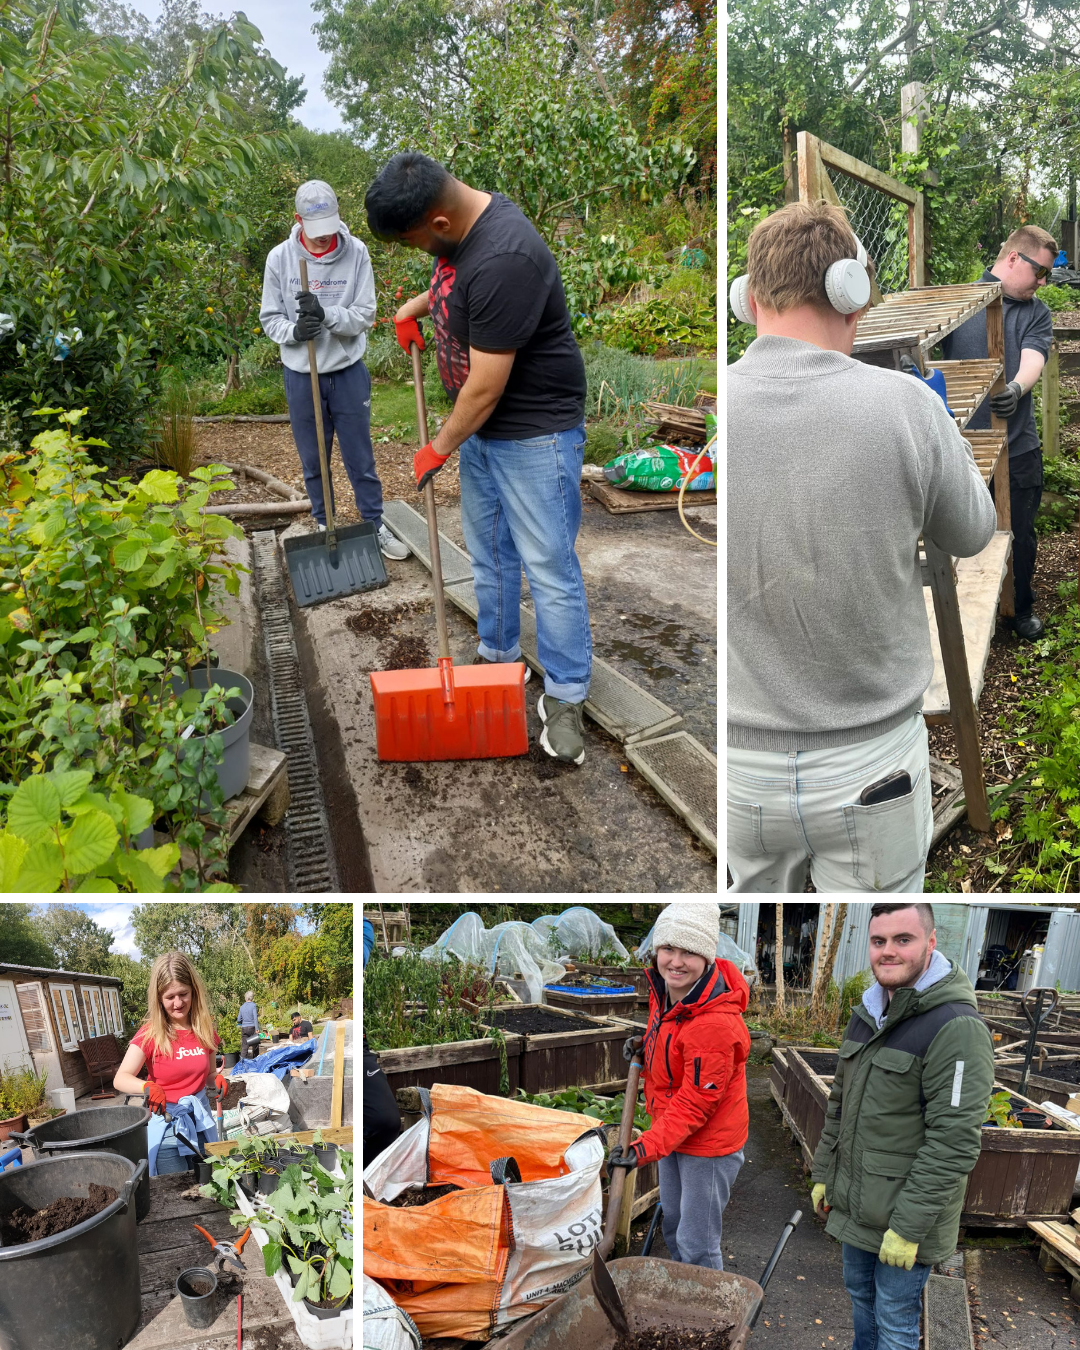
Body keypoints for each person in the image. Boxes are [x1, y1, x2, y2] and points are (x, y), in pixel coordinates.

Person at [727, 200, 997, 893]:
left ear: (748, 300)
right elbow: (971, 529)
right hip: (872, 767)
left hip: (737, 770)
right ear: (853, 291)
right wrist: (942, 432)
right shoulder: (906, 406)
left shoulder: (713, 404)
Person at [364, 153, 592, 766]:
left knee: (548, 567)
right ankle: (497, 661)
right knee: (490, 556)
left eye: (413, 240)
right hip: (488, 436)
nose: (419, 252)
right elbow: (455, 281)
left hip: (533, 435)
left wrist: (437, 447)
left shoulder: (504, 257)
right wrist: (421, 306)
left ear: (438, 220)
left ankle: (567, 698)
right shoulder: (464, 233)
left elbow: (487, 385)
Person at [810, 903, 994, 1350]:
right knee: (860, 1302)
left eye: (902, 940)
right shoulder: (868, 1015)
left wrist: (909, 1227)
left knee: (895, 1322)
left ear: (931, 943)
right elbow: (840, 1106)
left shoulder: (955, 1027)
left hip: (903, 1217)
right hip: (857, 1205)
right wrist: (822, 1176)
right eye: (879, 941)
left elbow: (953, 1142)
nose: (887, 952)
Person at [259, 179, 411, 563]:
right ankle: (326, 526)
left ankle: (374, 524)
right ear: (298, 220)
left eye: (330, 228)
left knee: (360, 456)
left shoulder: (356, 252)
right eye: (316, 232)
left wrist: (326, 315)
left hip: (346, 371)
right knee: (314, 458)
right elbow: (270, 318)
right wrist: (294, 331)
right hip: (300, 374)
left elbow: (365, 314)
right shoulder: (280, 258)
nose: (325, 239)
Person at [607, 902, 750, 1271]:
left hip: (708, 1146)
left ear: (707, 957)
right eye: (668, 948)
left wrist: (643, 1149)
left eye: (689, 952)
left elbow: (695, 1102)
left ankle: (709, 1317)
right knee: (672, 1223)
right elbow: (675, 1041)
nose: (676, 961)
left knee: (697, 1243)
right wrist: (646, 1045)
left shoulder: (715, 1023)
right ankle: (680, 1297)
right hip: (673, 1134)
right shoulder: (672, 994)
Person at [941, 226, 1057, 640]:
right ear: (1013, 259)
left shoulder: (1035, 312)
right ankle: (966, 617)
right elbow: (929, 361)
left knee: (1019, 532)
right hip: (963, 448)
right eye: (1040, 271)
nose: (1042, 282)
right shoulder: (961, 301)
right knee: (959, 532)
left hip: (1018, 445)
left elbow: (1033, 359)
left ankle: (1018, 610)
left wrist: (1015, 387)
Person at [114, 951, 228, 1175]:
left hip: (200, 1121)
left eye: (183, 994)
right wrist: (147, 1087)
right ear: (159, 998)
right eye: (170, 997)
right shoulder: (150, 1034)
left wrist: (218, 1080)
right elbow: (121, 1078)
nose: (178, 1003)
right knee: (177, 1192)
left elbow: (209, 1075)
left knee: (208, 1185)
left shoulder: (204, 1029)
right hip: (167, 1126)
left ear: (194, 991)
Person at [363, 916, 402, 1168]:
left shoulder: (362, 931)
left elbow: (365, 929)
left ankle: (365, 1179)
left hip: (360, 1044)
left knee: (387, 1122)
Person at [236, 989, 261, 1060]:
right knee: (255, 1046)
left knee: (244, 1046)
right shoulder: (253, 1006)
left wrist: (243, 1022)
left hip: (244, 1028)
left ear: (245, 998)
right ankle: (256, 1061)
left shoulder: (242, 1007)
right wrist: (257, 1028)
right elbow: (255, 1018)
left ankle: (242, 1063)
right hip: (252, 1028)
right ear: (252, 998)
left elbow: (238, 1019)